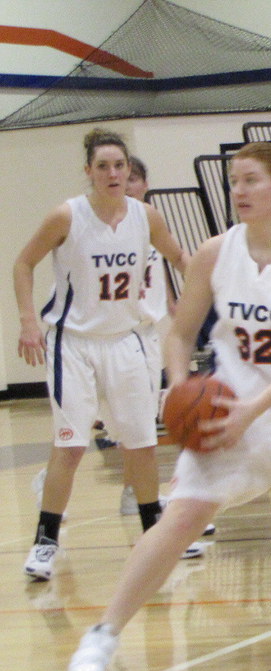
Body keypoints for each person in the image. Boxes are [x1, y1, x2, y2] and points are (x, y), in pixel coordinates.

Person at [66, 142, 271, 671]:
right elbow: (180, 334)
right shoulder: (214, 252)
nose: (238, 191)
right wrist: (179, 386)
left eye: (250, 180)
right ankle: (104, 633)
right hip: (228, 406)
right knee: (180, 518)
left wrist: (253, 409)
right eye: (233, 182)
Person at [15, 129, 188, 580]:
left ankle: (155, 535)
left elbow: (180, 258)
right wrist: (28, 321)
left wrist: (212, 290)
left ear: (129, 170)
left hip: (126, 341)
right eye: (103, 166)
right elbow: (23, 263)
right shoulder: (66, 216)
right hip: (73, 343)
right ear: (89, 172)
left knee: (142, 443)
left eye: (119, 166)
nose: (113, 174)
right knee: (70, 445)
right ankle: (45, 542)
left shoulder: (145, 216)